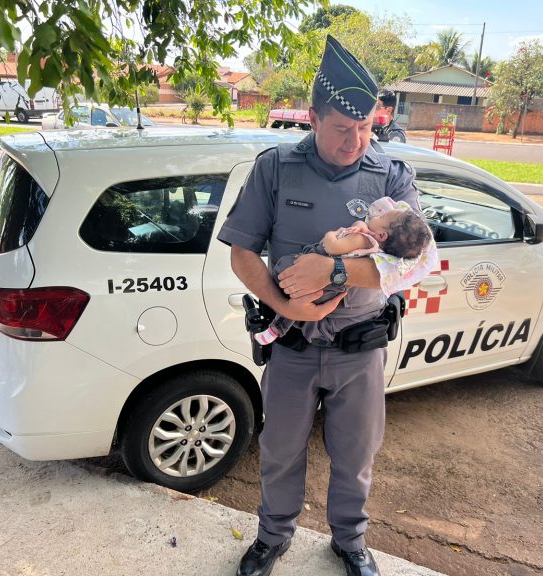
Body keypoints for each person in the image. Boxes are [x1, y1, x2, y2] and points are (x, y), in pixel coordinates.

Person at [217, 35, 438, 576]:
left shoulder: (390, 176)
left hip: (359, 348)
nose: (354, 141)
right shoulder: (275, 168)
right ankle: (273, 537)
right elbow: (242, 253)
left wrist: (334, 270)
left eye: (365, 128)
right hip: (292, 346)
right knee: (280, 452)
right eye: (342, 128)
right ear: (312, 118)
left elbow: (416, 260)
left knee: (356, 454)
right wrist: (283, 304)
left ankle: (350, 541)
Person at [254, 197, 432, 346]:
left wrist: (332, 234)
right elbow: (363, 226)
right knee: (300, 302)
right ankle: (278, 329)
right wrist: (360, 225)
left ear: (381, 235)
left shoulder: (363, 240)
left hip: (322, 277)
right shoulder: (377, 247)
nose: (378, 215)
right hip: (337, 287)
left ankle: (277, 329)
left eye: (382, 217)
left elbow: (332, 246)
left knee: (296, 298)